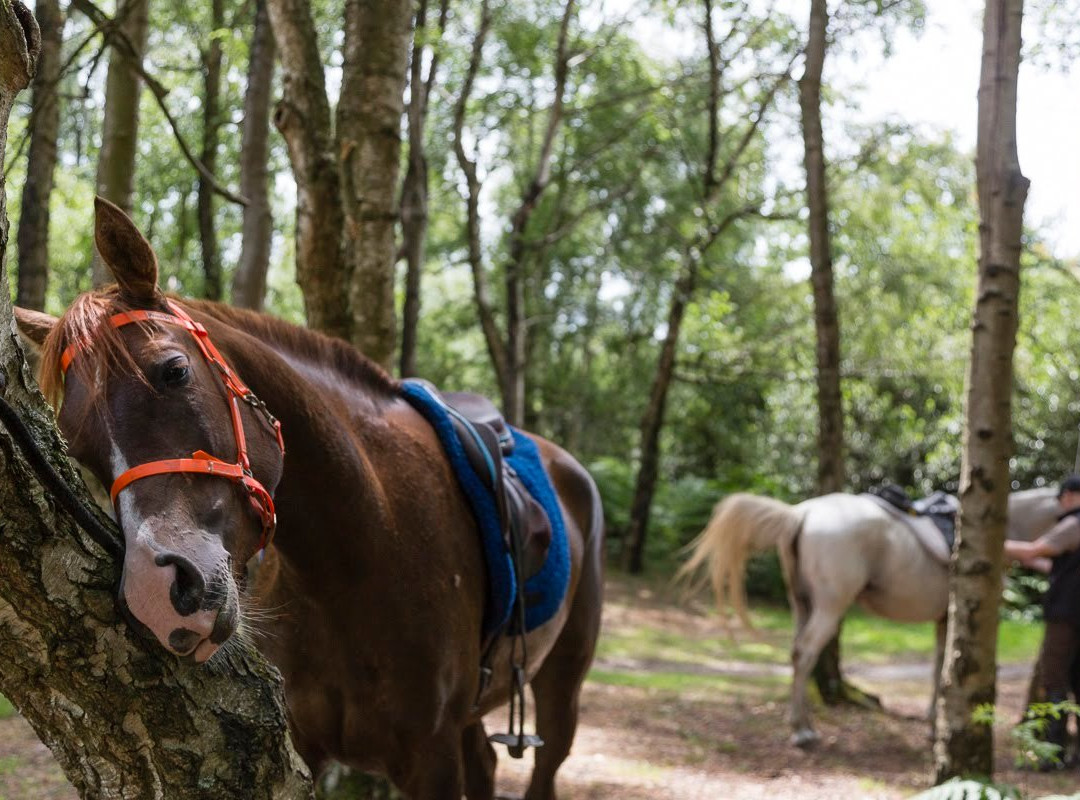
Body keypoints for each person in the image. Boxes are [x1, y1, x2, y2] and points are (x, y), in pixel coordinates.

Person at [1005, 473, 1080, 769]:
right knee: (1075, 679)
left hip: (1066, 616)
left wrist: (988, 540)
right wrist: (1029, 559)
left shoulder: (1074, 524)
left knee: (1054, 680)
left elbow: (1035, 548)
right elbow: (1059, 565)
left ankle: (1052, 753)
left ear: (1068, 496)